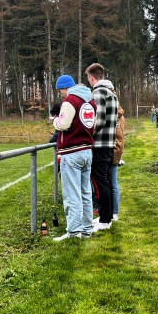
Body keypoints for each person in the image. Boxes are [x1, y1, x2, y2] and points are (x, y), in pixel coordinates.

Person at [52, 75, 96, 241]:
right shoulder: (90, 102)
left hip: (71, 151)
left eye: (60, 91)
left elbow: (64, 124)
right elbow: (94, 124)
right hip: (86, 150)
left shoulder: (70, 101)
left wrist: (55, 120)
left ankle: (73, 231)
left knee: (72, 193)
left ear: (64, 88)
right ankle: (86, 229)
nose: (61, 95)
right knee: (85, 191)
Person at [86, 63, 119, 233]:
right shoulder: (112, 94)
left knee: (100, 183)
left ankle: (105, 220)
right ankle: (108, 215)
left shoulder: (98, 93)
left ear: (91, 77)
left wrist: (87, 135)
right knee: (106, 180)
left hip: (99, 145)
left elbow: (98, 121)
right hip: (109, 144)